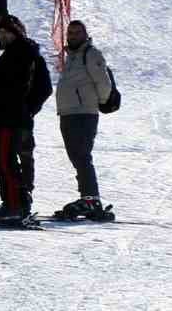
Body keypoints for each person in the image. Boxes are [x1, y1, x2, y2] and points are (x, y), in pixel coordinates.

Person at [0, 16, 53, 221]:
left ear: (17, 32)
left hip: (11, 118)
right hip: (5, 117)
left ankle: (14, 205)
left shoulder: (23, 53)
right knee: (6, 161)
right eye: (0, 33)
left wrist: (26, 108)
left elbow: (42, 88)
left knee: (6, 162)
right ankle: (16, 201)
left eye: (7, 32)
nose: (3, 36)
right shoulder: (13, 53)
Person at [55, 20, 113, 219]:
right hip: (69, 112)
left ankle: (91, 197)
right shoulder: (71, 56)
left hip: (83, 113)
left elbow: (103, 82)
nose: (72, 36)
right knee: (77, 156)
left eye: (77, 33)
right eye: (70, 33)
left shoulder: (90, 53)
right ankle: (87, 196)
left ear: (84, 34)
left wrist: (100, 102)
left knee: (82, 155)